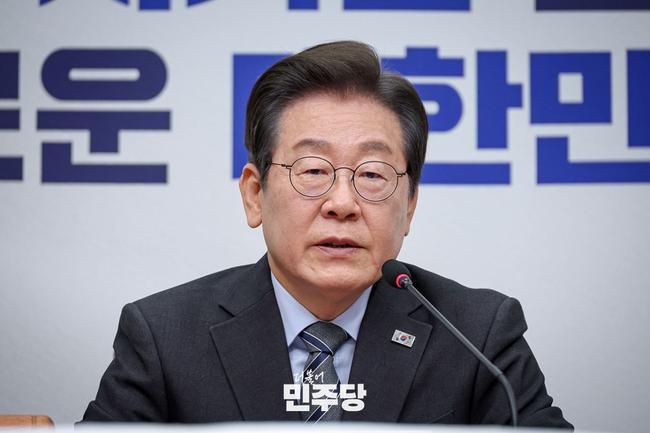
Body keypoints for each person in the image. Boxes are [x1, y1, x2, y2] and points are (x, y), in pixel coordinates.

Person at [81, 41, 572, 427]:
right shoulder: (165, 336)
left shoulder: (477, 335)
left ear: (409, 206)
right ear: (254, 194)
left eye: (373, 174)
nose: (342, 203)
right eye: (313, 170)